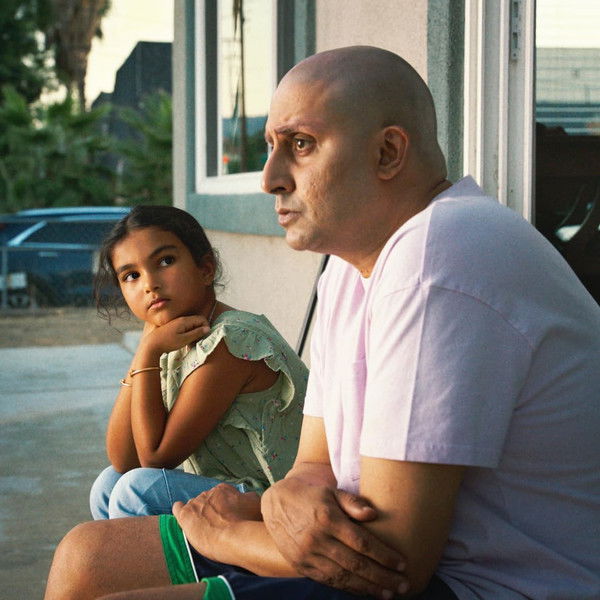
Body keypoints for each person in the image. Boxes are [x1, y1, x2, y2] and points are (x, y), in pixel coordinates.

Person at [44, 46, 600, 600]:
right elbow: (313, 465)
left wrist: (228, 535)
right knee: (85, 558)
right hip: (375, 555)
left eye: (301, 145)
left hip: (485, 584)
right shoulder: (349, 266)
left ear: (387, 153)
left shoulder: (437, 258)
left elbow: (395, 559)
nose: (269, 179)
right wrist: (285, 500)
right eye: (270, 147)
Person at [88, 205, 307, 519]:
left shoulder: (230, 340)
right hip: (234, 487)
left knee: (136, 490)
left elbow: (155, 458)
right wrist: (146, 349)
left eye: (165, 261)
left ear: (205, 269)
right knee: (109, 483)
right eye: (131, 276)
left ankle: (136, 552)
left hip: (279, 500)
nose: (150, 284)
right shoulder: (172, 339)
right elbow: (124, 459)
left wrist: (148, 353)